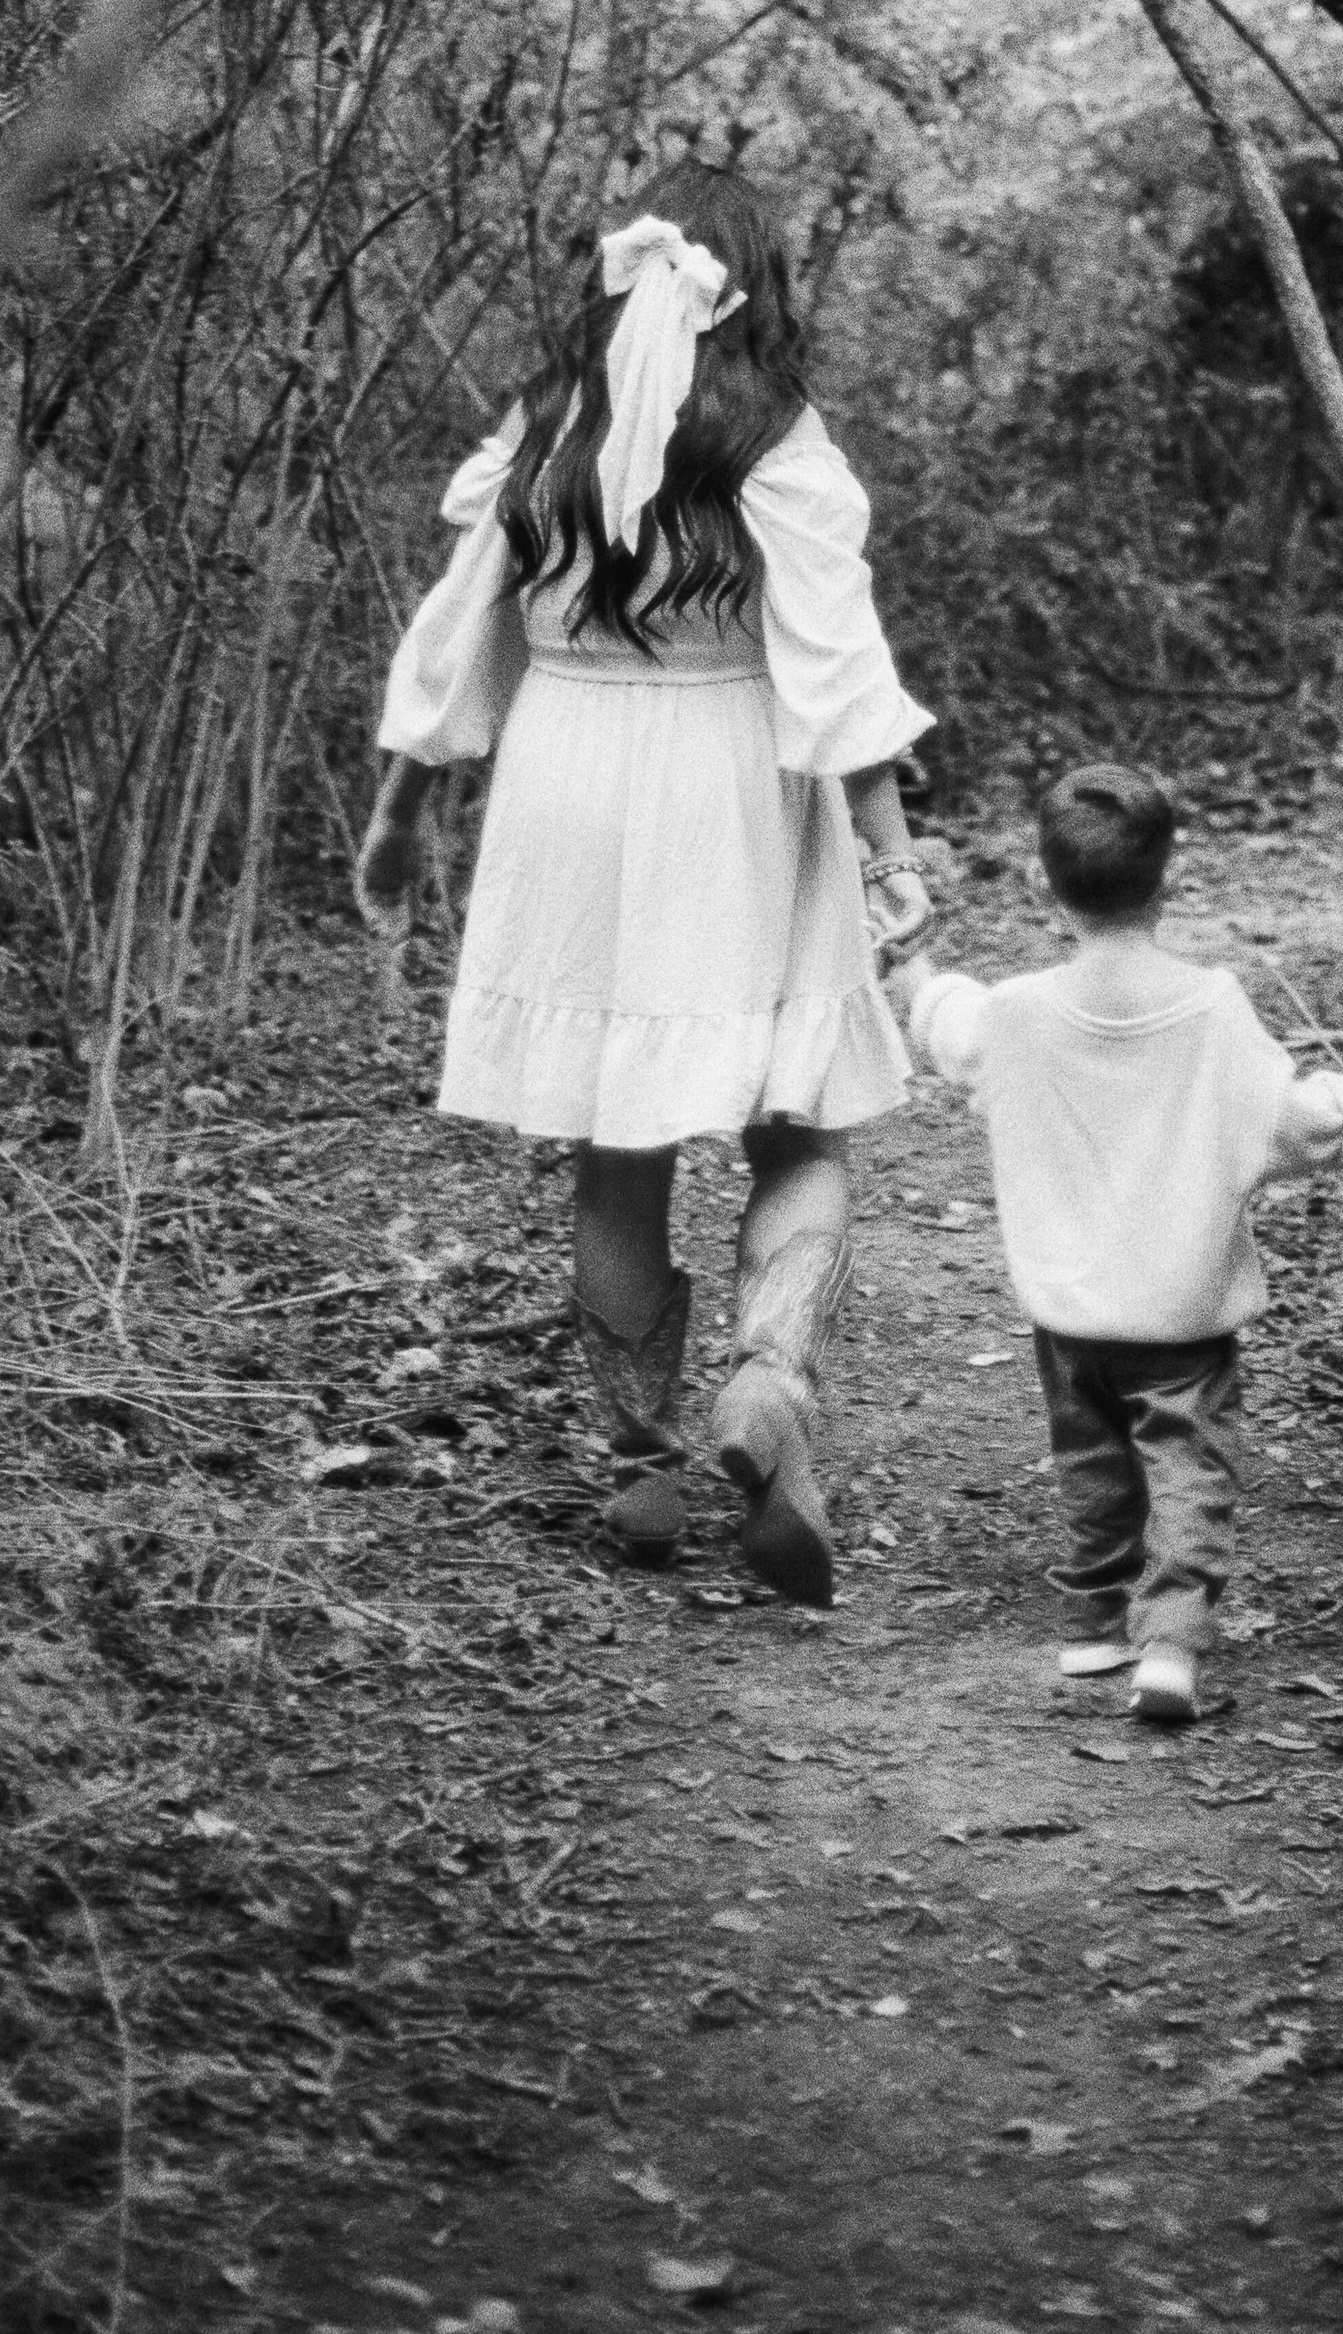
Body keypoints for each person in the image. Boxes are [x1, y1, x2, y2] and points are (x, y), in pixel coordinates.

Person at [355, 161, 934, 1609]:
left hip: (567, 778)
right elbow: (836, 665)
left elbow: (458, 627)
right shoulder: (777, 440)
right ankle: (766, 1382)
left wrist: (404, 806)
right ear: (760, 289)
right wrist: (893, 855)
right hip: (735, 775)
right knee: (794, 1111)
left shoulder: (547, 428)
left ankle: (642, 1465)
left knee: (622, 1138)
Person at [896, 761, 1343, 1726]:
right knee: (1187, 1463)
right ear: (1167, 881)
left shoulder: (1018, 1014)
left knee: (1091, 1459)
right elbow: (1292, 1126)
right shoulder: (1211, 1007)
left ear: (1048, 887)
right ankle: (1169, 1641)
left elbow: (943, 1028)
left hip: (1070, 1310)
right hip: (1180, 1306)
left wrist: (908, 961)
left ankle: (1094, 1619)